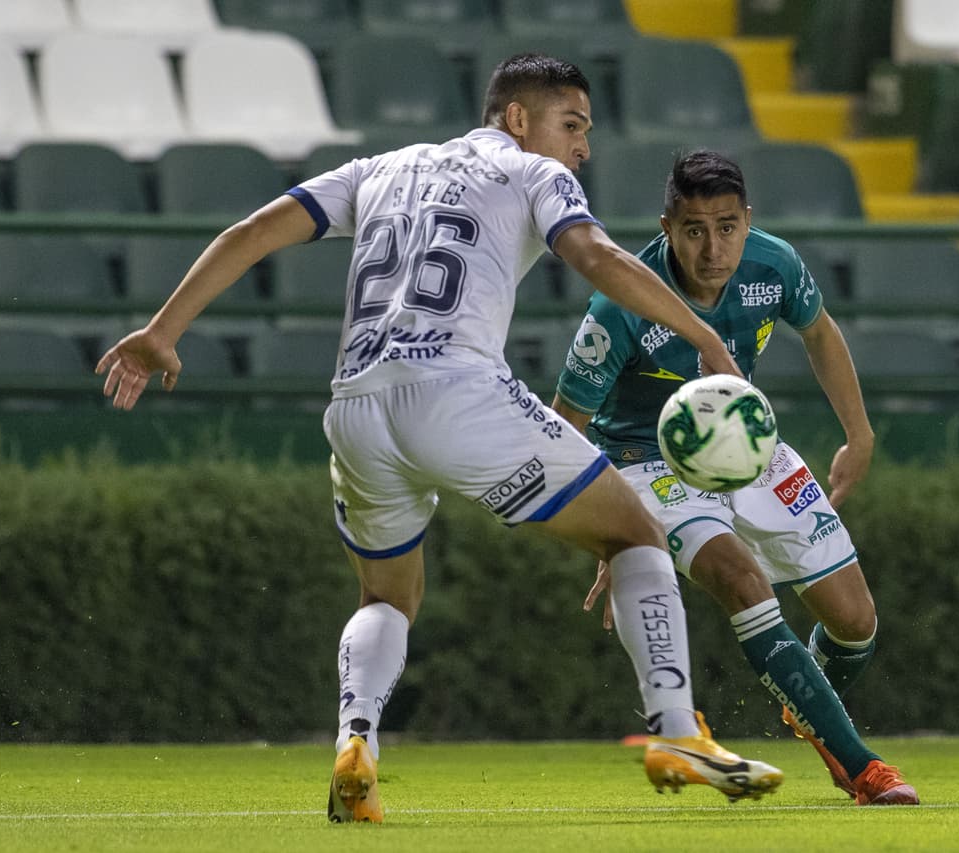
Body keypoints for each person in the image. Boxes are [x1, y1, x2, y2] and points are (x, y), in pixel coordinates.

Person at [96, 56, 785, 823]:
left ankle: (356, 740)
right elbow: (594, 256)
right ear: (518, 120)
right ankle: (679, 731)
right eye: (573, 124)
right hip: (457, 391)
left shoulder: (379, 168)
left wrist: (163, 330)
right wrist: (704, 336)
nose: (582, 147)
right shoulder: (533, 172)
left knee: (387, 593)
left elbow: (256, 230)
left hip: (356, 405)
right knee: (635, 535)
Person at [552, 150, 920, 806]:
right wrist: (609, 523)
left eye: (727, 226)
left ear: (747, 221)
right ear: (667, 227)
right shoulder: (622, 304)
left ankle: (803, 694)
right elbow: (564, 424)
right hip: (645, 462)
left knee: (856, 625)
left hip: (750, 446)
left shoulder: (772, 264)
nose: (713, 247)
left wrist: (859, 435)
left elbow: (821, 333)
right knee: (742, 579)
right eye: (694, 229)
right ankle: (859, 767)